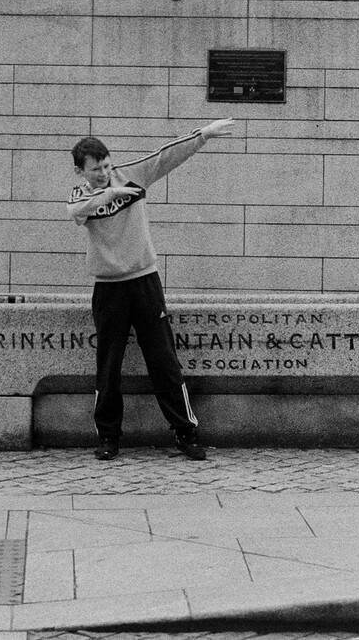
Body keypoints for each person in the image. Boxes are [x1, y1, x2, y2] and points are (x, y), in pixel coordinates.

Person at [67, 118, 235, 461]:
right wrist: (109, 194)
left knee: (163, 360)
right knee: (108, 365)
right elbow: (76, 211)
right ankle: (108, 437)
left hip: (145, 282)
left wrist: (203, 134)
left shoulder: (132, 175)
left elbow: (165, 156)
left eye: (106, 165)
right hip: (108, 289)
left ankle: (185, 432)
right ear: (80, 171)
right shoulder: (81, 195)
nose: (103, 173)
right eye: (95, 169)